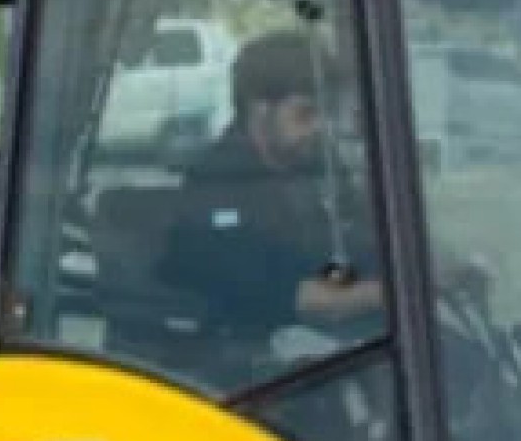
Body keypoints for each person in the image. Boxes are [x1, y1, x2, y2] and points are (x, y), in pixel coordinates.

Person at [162, 30, 385, 373]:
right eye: (305, 114)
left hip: (332, 345)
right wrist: (391, 293)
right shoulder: (218, 182)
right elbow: (295, 295)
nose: (320, 127)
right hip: (248, 366)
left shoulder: (317, 167)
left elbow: (352, 248)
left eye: (326, 114)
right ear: (259, 108)